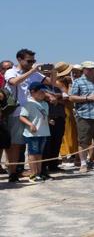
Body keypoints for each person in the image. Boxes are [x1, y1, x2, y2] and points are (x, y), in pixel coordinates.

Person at [4, 48, 55, 182]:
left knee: (36, 145)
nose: (32, 63)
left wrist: (53, 71)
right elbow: (14, 82)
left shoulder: (35, 73)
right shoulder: (11, 71)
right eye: (29, 61)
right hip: (17, 112)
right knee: (16, 144)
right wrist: (32, 71)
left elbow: (52, 83)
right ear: (19, 59)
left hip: (34, 113)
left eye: (34, 61)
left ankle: (36, 171)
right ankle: (13, 172)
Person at [68, 61, 94, 173]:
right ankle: (83, 164)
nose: (91, 70)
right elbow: (71, 98)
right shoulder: (78, 82)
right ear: (84, 70)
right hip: (84, 115)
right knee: (83, 141)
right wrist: (88, 98)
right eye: (88, 69)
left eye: (92, 68)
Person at [19, 82, 51, 183]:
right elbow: (22, 116)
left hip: (44, 132)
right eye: (41, 92)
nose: (43, 94)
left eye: (44, 92)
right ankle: (33, 174)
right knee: (33, 153)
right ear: (33, 92)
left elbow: (43, 116)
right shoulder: (29, 103)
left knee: (39, 153)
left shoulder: (45, 104)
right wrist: (30, 124)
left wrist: (49, 121)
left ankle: (39, 173)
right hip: (32, 134)